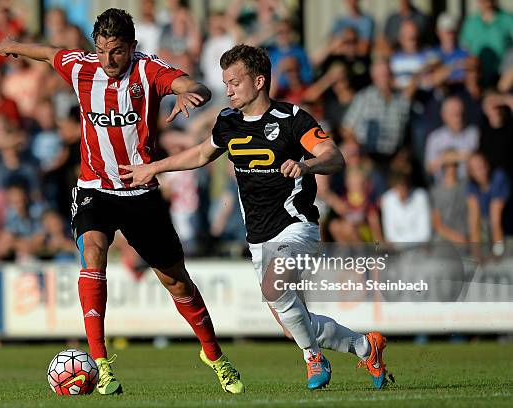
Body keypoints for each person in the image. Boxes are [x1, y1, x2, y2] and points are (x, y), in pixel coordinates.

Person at [0, 8, 243, 395]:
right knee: (92, 251)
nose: (109, 60)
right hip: (94, 189)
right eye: (103, 50)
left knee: (176, 282)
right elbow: (49, 52)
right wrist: (13, 46)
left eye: (118, 51)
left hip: (140, 191)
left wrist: (193, 94)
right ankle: (102, 362)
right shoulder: (81, 66)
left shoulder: (147, 71)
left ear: (133, 47)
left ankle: (215, 356)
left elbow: (194, 84)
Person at [120, 44, 391, 391]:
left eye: (235, 81)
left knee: (278, 293)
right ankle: (366, 347)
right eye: (225, 82)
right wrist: (153, 168)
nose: (228, 89)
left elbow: (334, 156)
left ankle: (313, 359)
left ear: (259, 81)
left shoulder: (293, 119)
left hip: (296, 226)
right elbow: (202, 153)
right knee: (297, 323)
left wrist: (306, 164)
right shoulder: (229, 121)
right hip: (258, 238)